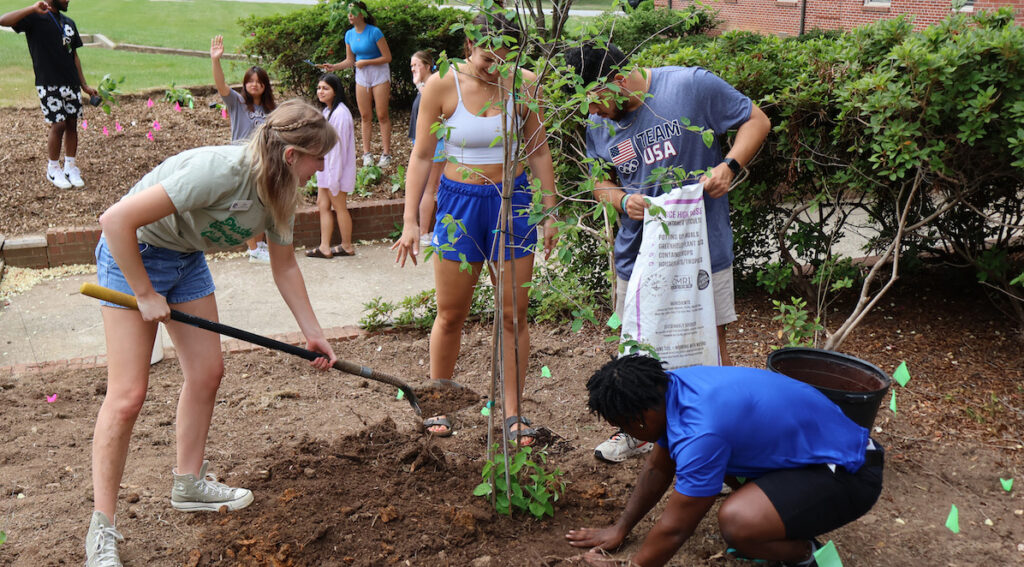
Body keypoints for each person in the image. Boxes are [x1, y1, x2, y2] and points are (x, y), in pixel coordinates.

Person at [85, 100, 339, 567]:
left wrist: (313, 332)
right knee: (127, 395)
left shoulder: (280, 191)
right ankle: (101, 530)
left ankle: (188, 483)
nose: (322, 167)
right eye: (317, 158)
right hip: (134, 253)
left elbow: (284, 268)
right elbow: (114, 220)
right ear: (291, 156)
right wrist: (143, 292)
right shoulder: (217, 171)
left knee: (207, 372)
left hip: (184, 258)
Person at [562, 41, 771, 464]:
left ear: (616, 80)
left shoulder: (691, 87)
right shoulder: (598, 122)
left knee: (710, 343)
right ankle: (637, 433)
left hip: (701, 252)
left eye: (596, 102)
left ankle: (725, 433)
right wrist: (621, 201)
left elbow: (757, 120)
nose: (594, 114)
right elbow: (597, 180)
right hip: (635, 256)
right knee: (636, 348)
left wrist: (729, 166)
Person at [392, 13, 557, 445]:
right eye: (487, 55)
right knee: (451, 314)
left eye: (504, 54)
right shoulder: (441, 85)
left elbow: (538, 151)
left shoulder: (524, 82)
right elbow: (423, 156)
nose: (494, 65)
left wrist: (549, 209)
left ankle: (514, 414)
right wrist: (411, 221)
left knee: (513, 314)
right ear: (469, 44)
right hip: (459, 206)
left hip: (513, 204)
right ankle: (438, 404)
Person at [567, 354, 884, 567]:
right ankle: (778, 522)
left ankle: (806, 554)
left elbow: (677, 528)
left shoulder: (701, 433)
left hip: (851, 473)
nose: (626, 433)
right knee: (726, 477)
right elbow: (658, 467)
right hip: (820, 453)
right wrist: (621, 527)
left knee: (737, 521)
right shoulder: (671, 390)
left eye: (624, 425)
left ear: (639, 418)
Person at [1, 0, 98, 189]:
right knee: (59, 124)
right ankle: (53, 168)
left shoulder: (69, 23)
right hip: (48, 82)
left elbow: (74, 56)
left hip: (70, 82)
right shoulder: (34, 18)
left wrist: (84, 85)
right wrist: (32, 8)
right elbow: (3, 20)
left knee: (72, 124)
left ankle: (70, 166)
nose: (69, 0)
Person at [210, 34, 278, 263]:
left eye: (259, 81)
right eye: (250, 81)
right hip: (242, 158)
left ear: (265, 85)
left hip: (263, 161)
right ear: (245, 84)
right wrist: (216, 60)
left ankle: (258, 247)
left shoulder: (271, 111)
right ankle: (254, 248)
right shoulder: (238, 103)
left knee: (261, 204)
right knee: (247, 204)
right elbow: (221, 86)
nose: (254, 84)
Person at [321, 1, 393, 168]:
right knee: (365, 116)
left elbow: (387, 57)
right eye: (348, 11)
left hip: (379, 73)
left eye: (353, 11)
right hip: (362, 75)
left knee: (382, 115)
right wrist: (333, 67)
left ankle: (386, 154)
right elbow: (350, 60)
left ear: (363, 14)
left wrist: (367, 62)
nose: (350, 14)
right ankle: (367, 153)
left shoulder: (375, 32)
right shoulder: (349, 35)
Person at [306, 73, 357, 259]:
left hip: (336, 170)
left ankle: (346, 245)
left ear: (335, 91)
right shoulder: (327, 112)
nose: (321, 91)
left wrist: (334, 178)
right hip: (326, 170)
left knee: (339, 206)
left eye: (325, 88)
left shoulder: (341, 114)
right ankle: (324, 246)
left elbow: (338, 150)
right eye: (319, 88)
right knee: (323, 204)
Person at [409, 50, 446, 248]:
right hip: (426, 142)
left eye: (416, 65)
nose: (413, 69)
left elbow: (433, 106)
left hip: (436, 144)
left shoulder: (431, 84)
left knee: (430, 188)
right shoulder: (424, 84)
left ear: (427, 65)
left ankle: (425, 231)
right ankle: (427, 230)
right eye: (411, 66)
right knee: (431, 188)